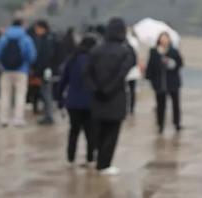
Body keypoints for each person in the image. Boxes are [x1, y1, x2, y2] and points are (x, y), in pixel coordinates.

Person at [84, 17, 135, 175]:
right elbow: (122, 73)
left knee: (98, 131)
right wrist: (109, 89)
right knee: (112, 133)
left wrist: (96, 89)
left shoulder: (96, 50)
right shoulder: (125, 51)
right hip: (116, 96)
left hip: (97, 98)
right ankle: (104, 163)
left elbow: (87, 73)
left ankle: (97, 158)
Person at [57, 34, 97, 166]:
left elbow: (63, 81)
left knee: (74, 130)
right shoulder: (94, 60)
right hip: (90, 102)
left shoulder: (72, 59)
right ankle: (90, 158)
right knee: (90, 131)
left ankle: (71, 158)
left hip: (73, 102)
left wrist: (59, 99)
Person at [0, 19, 37, 127]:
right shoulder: (26, 38)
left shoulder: (4, 37)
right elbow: (32, 56)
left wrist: (2, 64)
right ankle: (18, 119)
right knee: (20, 95)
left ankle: (4, 119)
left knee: (5, 95)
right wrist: (27, 64)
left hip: (5, 71)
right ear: (22, 26)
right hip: (21, 71)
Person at [145, 32, 183, 134]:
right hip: (159, 83)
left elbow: (180, 63)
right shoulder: (154, 51)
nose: (164, 40)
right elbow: (150, 66)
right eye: (162, 38)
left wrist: (170, 62)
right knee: (160, 105)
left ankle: (177, 123)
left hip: (172, 82)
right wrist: (150, 79)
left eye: (166, 38)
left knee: (175, 104)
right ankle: (160, 124)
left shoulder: (173, 51)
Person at [31, 20, 56, 125]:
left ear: (42, 28)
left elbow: (45, 57)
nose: (36, 31)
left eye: (37, 28)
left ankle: (49, 116)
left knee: (46, 93)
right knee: (46, 93)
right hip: (48, 70)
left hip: (46, 71)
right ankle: (47, 115)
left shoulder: (46, 40)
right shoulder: (49, 38)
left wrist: (37, 72)